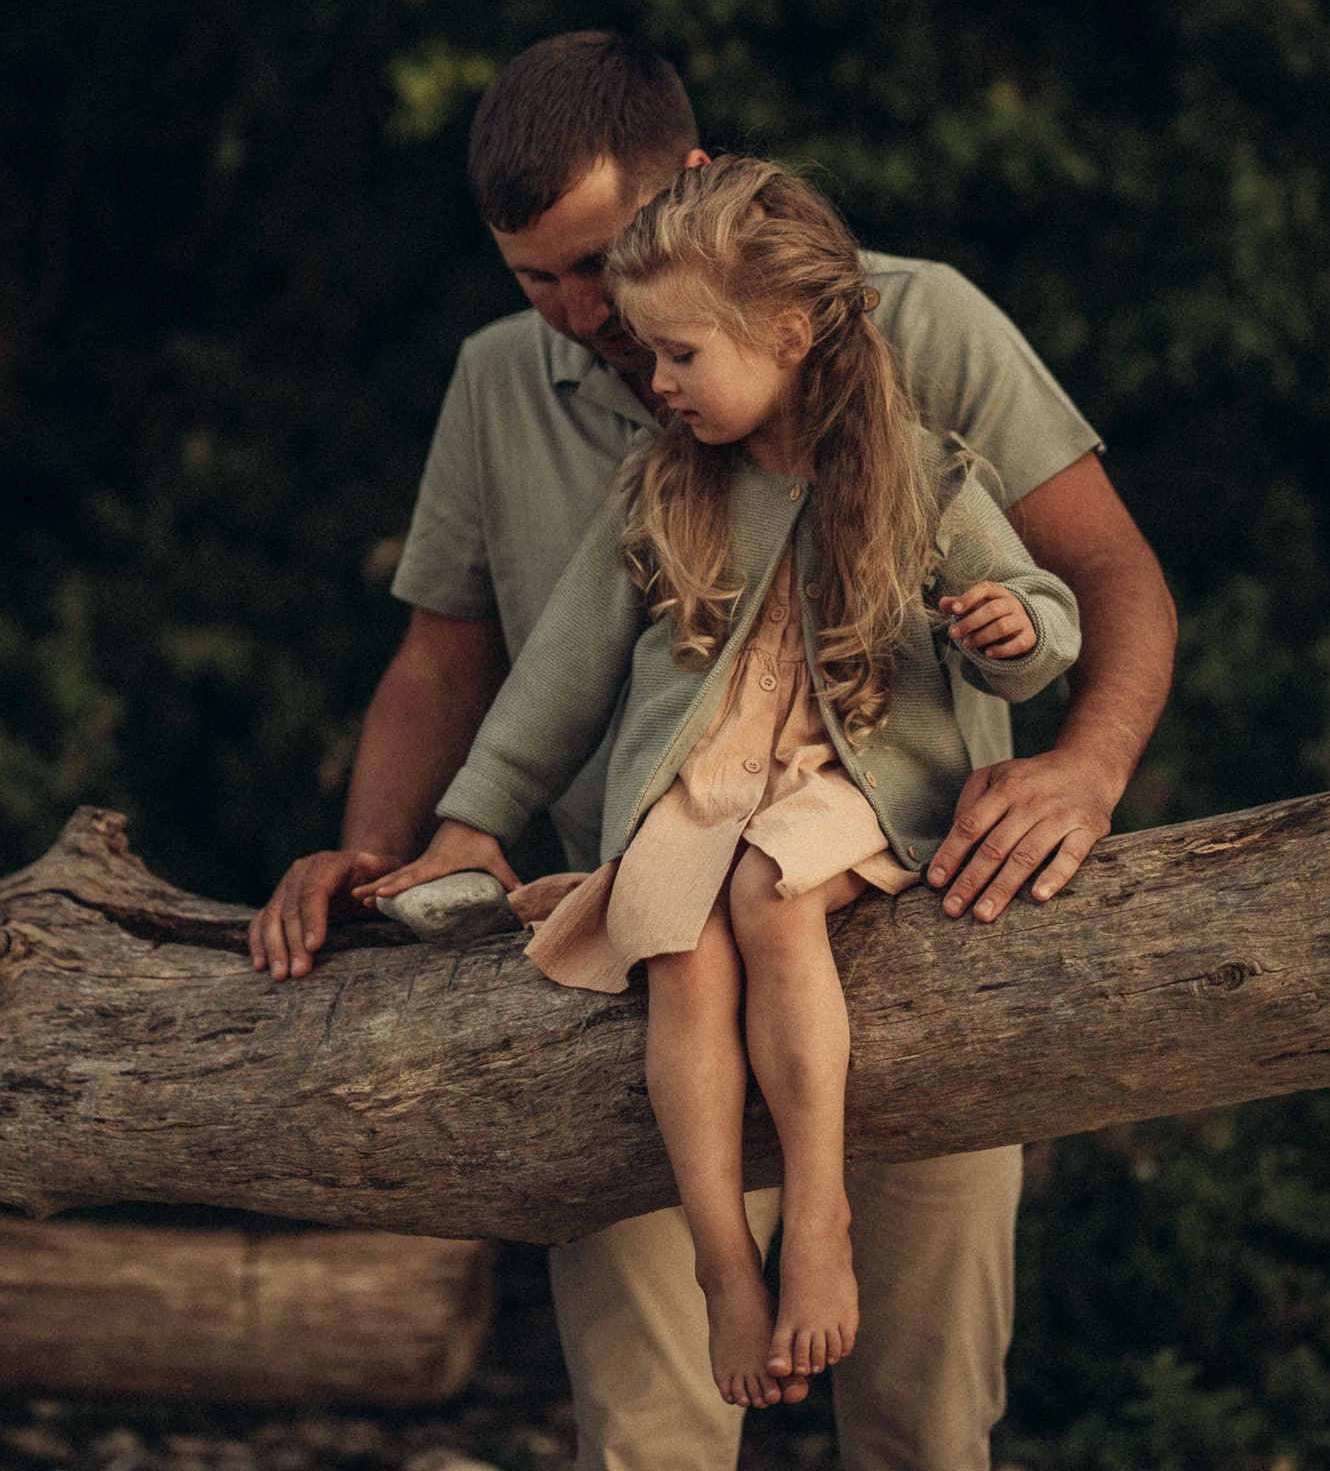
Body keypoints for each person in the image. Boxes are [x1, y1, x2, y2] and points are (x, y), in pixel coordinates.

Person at [250, 31, 1176, 1471]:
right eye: (531, 278)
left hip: (922, 942)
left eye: (597, 262)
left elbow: (1106, 583)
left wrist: (1083, 768)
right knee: (649, 1439)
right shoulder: (506, 386)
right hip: (644, 964)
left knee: (927, 1432)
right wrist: (388, 848)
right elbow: (452, 658)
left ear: (692, 189)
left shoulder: (919, 329)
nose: (574, 312)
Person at [362, 158, 1083, 1413]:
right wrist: (469, 822)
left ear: (791, 333)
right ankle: (721, 1259)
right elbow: (558, 679)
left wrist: (1010, 636)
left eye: (681, 355)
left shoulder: (918, 471)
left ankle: (815, 1219)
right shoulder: (663, 486)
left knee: (765, 893)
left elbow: (1041, 612)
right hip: (703, 783)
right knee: (676, 936)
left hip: (850, 779)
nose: (658, 383)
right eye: (649, 357)